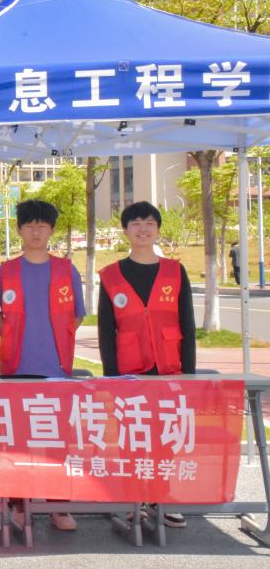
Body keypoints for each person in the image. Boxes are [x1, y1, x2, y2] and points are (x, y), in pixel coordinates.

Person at [99, 201, 196, 529]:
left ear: (157, 229)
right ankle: (135, 499)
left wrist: (189, 375)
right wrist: (111, 377)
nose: (143, 228)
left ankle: (162, 497)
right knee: (132, 436)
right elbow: (106, 331)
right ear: (125, 231)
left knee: (167, 436)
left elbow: (188, 325)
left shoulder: (174, 271)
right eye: (136, 223)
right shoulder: (111, 275)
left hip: (169, 368)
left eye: (149, 223)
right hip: (129, 372)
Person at [0, 200, 85, 532]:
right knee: (19, 442)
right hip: (16, 368)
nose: (35, 232)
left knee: (58, 441)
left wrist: (57, 339)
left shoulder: (67, 270)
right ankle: (18, 504)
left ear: (52, 230)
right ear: (19, 229)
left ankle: (58, 506)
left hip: (56, 368)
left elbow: (77, 314)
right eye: (29, 225)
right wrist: (10, 335)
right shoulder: (5, 272)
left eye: (42, 226)